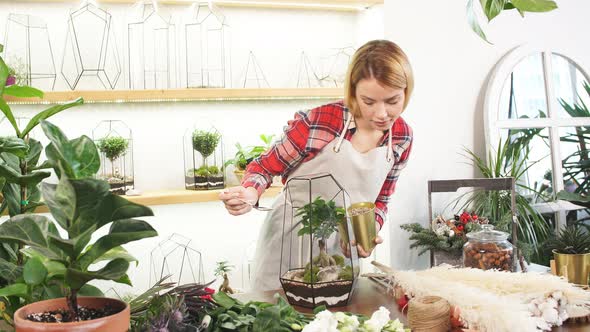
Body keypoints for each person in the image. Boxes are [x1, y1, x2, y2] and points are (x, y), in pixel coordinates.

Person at [219, 39, 414, 291]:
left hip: (342, 250)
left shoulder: (402, 137)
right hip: (289, 238)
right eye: (368, 102)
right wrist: (249, 192)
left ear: (406, 92)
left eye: (392, 101)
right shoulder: (320, 121)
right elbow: (265, 167)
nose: (380, 113)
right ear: (353, 92)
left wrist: (367, 232)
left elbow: (380, 200)